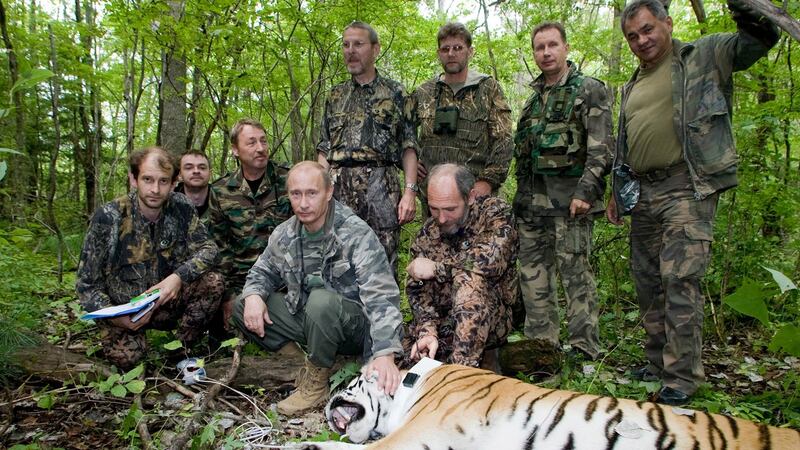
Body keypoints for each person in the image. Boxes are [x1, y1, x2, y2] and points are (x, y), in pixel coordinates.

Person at [607, 0, 779, 405]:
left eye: (648, 29)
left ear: (667, 23)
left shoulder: (703, 55)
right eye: (632, 36)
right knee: (648, 281)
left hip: (687, 186)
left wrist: (746, 9)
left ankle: (682, 378)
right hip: (643, 192)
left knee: (680, 279)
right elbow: (627, 144)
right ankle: (656, 364)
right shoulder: (634, 83)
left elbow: (758, 40)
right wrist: (617, 192)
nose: (641, 40)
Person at [231, 161, 404, 416]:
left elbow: (381, 295)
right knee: (243, 304)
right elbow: (261, 272)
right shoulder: (286, 233)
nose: (303, 203)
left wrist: (385, 353)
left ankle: (316, 387)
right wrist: (255, 295)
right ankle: (302, 363)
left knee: (321, 301)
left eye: (312, 193)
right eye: (295, 194)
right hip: (311, 317)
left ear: (329, 192)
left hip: (353, 326)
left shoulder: (354, 232)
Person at [513, 22, 613, 361]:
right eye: (539, 47)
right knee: (533, 279)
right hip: (532, 210)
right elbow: (523, 160)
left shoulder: (588, 90)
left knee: (577, 280)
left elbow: (602, 149)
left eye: (552, 45)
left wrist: (586, 191)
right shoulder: (530, 104)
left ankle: (585, 350)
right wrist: (520, 204)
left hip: (571, 205)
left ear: (566, 48)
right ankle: (543, 348)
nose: (546, 52)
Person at [76, 147, 224, 370]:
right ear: (133, 179)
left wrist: (178, 277)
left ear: (174, 182)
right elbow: (87, 286)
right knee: (128, 361)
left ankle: (180, 351)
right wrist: (116, 317)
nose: (155, 189)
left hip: (166, 302)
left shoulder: (182, 207)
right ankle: (133, 342)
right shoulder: (109, 217)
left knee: (213, 282)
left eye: (163, 181)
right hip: (125, 310)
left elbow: (209, 249)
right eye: (147, 179)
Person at [316, 21, 419, 274]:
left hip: (381, 187)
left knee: (382, 264)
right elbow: (323, 149)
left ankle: (383, 314)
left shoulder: (397, 93)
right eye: (346, 44)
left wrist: (409, 192)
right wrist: (318, 191)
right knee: (339, 265)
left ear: (375, 49)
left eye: (358, 44)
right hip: (338, 189)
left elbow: (409, 146)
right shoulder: (335, 95)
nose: (350, 50)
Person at [405, 164, 518, 371]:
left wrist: (438, 269)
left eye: (450, 209)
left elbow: (489, 260)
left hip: (489, 318)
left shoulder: (495, 214)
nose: (441, 218)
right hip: (445, 321)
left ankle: (461, 374)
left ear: (471, 197)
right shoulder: (428, 233)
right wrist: (427, 331)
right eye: (433, 209)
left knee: (469, 282)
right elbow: (419, 290)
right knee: (399, 357)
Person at [412, 22, 512, 209]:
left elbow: (504, 141)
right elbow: (401, 131)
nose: (451, 53)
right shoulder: (424, 92)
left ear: (470, 51)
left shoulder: (488, 88)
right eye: (445, 49)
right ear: (438, 53)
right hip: (434, 200)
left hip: (475, 197)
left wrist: (487, 182)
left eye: (458, 48)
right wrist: (408, 162)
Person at [208, 118, 292, 335]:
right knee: (233, 330)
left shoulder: (289, 180)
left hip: (286, 277)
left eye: (263, 141)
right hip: (242, 281)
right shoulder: (221, 191)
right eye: (251, 143)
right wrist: (228, 297)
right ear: (235, 150)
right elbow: (221, 249)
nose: (261, 148)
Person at [174, 149, 212, 226]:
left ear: (210, 173)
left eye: (202, 167)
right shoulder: (168, 203)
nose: (196, 171)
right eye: (188, 168)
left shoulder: (224, 201)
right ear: (180, 175)